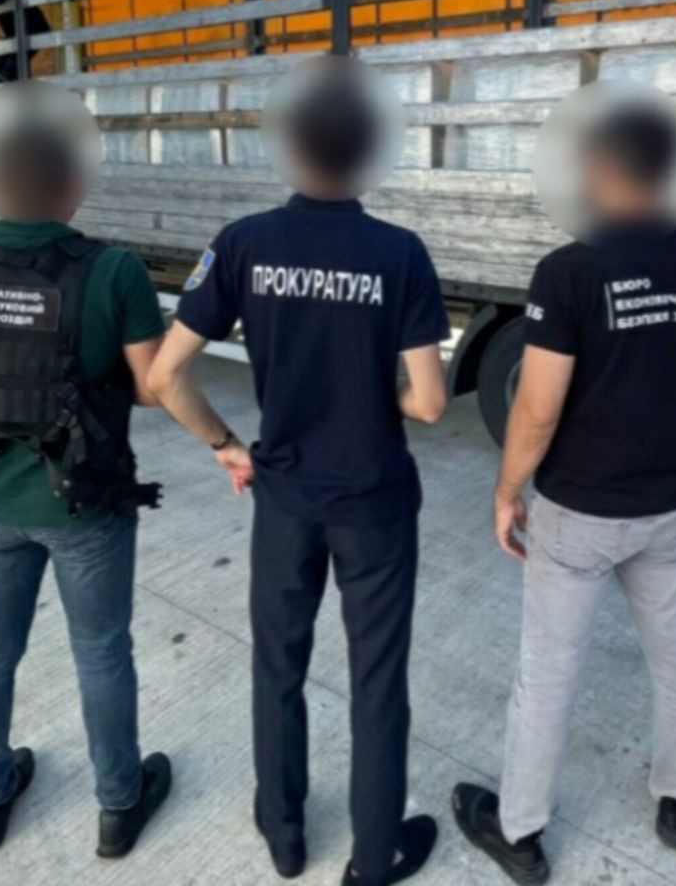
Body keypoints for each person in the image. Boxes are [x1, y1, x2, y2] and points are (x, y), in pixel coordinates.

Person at [147, 59, 450, 886]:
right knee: (377, 681)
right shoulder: (400, 253)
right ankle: (373, 857)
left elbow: (165, 376)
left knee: (278, 666)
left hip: (283, 496)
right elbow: (430, 403)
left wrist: (225, 443)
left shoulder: (244, 243)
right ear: (369, 150)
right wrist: (374, 392)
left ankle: (283, 834)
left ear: (289, 146)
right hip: (376, 501)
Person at [452, 102, 676, 883]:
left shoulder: (570, 271)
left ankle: (520, 833)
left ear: (600, 169)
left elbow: (537, 408)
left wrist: (507, 490)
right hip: (672, 507)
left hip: (580, 512)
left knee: (549, 672)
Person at [0, 85, 171, 857]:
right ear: (73, 181)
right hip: (86, 506)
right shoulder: (113, 271)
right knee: (101, 652)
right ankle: (118, 805)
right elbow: (153, 387)